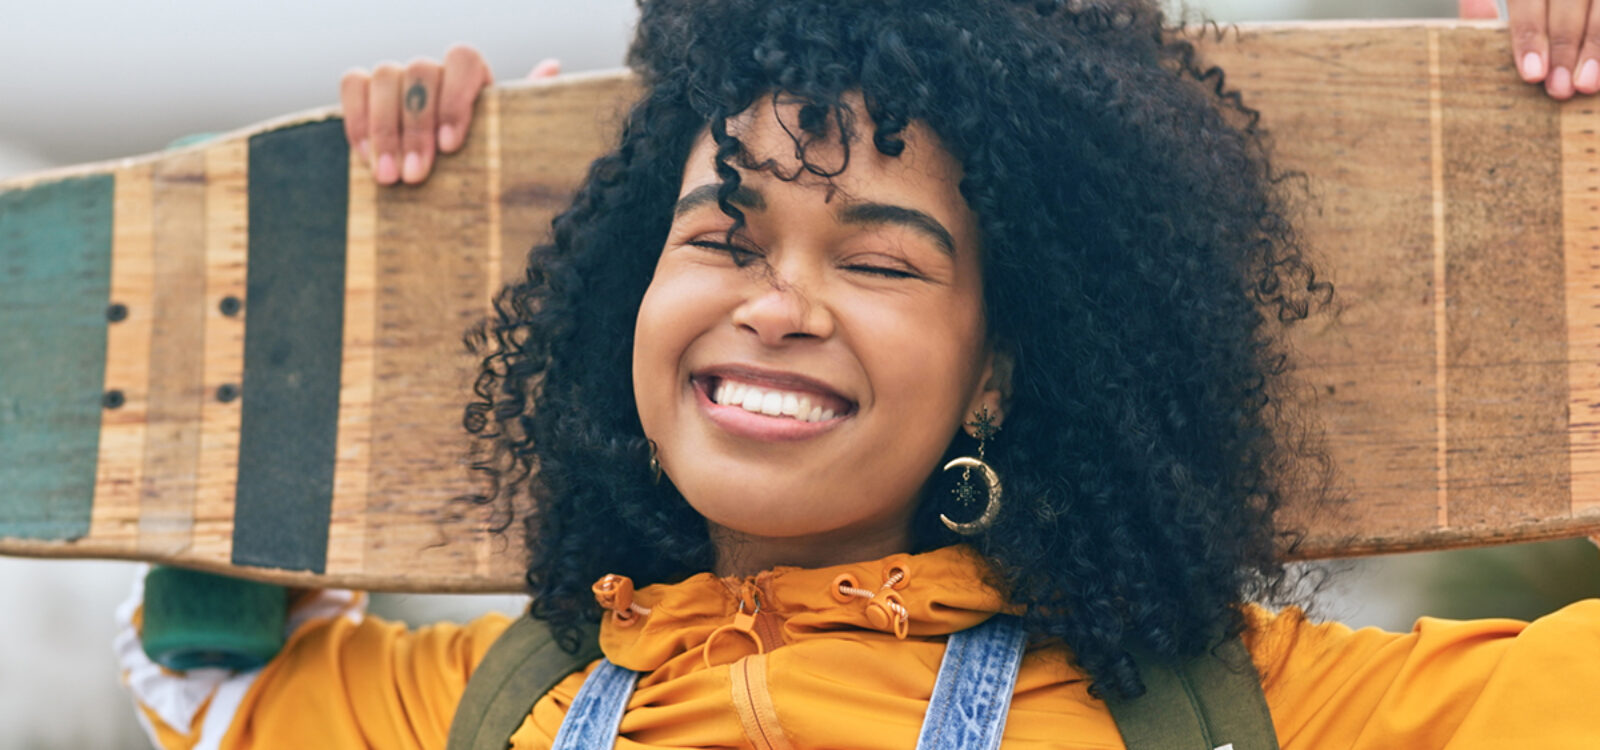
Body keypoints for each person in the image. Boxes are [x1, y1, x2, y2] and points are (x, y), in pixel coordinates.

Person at [114, 0, 1600, 748]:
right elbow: (217, 671)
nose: (779, 304)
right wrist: (365, 258)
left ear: (1001, 369)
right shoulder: (506, 699)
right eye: (722, 233)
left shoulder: (1220, 705)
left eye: (880, 261)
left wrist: (1576, 175)